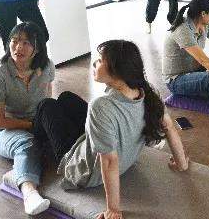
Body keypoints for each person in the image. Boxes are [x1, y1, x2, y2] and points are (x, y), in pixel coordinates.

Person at [31, 40, 189, 219]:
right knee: (66, 98)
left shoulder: (101, 106)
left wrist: (113, 209)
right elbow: (169, 127)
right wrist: (181, 163)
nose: (94, 63)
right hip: (124, 158)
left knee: (46, 105)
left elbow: (108, 161)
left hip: (83, 170)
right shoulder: (147, 91)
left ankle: (33, 133)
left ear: (116, 70)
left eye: (100, 60)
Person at [0, 22, 53, 215]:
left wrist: (48, 122)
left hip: (37, 122)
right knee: (27, 144)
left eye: (25, 43)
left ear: (37, 48)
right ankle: (29, 193)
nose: (18, 47)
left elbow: (48, 99)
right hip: (8, 129)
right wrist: (31, 126)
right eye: (14, 41)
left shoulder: (47, 66)